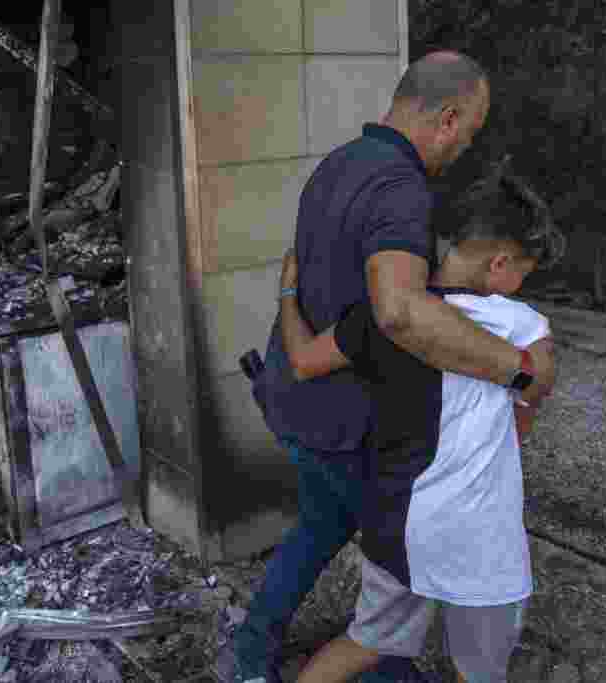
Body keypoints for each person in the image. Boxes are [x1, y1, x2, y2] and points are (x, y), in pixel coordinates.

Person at [219, 50, 551, 683]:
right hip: (344, 423)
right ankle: (265, 657)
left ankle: (272, 653)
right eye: (470, 133)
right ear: (448, 118)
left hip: (300, 392)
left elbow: (340, 302)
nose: (464, 149)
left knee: (332, 536)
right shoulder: (403, 191)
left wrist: (286, 295)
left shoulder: (337, 166)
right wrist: (517, 370)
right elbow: (400, 313)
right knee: (371, 553)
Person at [281, 166, 562, 683]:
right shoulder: (522, 324)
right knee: (479, 673)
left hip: (396, 520)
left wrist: (286, 295)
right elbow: (532, 403)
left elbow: (301, 360)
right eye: (523, 270)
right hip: (479, 537)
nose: (522, 284)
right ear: (499, 264)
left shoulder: (382, 316)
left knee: (364, 642)